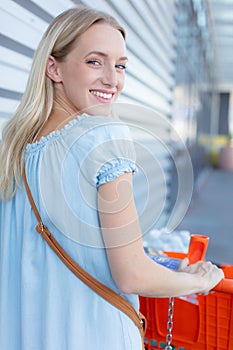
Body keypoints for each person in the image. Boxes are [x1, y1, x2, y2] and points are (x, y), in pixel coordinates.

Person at [0, 6, 224, 350]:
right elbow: (131, 274)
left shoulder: (13, 150)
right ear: (53, 67)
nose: (112, 79)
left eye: (120, 65)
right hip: (91, 334)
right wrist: (197, 280)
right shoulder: (103, 137)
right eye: (94, 61)